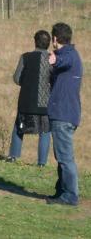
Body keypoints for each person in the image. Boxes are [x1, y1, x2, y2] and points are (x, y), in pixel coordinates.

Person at [46, 22, 83, 206]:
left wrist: (54, 60)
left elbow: (64, 60)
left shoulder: (68, 55)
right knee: (62, 156)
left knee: (65, 158)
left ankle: (70, 195)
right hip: (65, 114)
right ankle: (62, 191)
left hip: (63, 115)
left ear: (55, 39)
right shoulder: (71, 54)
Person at [6, 30, 52, 166]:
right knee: (45, 131)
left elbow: (16, 78)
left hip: (26, 101)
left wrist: (26, 84)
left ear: (35, 41)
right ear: (48, 43)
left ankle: (13, 156)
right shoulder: (52, 59)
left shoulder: (25, 57)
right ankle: (41, 163)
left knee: (19, 128)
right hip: (45, 103)